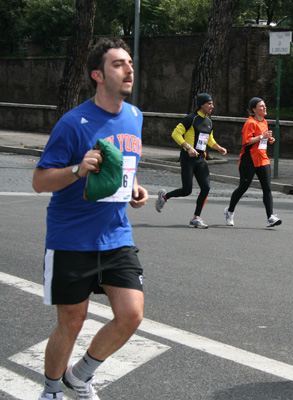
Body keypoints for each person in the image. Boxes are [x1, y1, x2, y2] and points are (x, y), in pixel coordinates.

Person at [32, 37, 148, 400]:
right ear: (98, 75)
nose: (128, 69)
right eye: (118, 64)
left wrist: (133, 188)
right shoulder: (73, 123)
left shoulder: (135, 116)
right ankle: (51, 391)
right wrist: (77, 170)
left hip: (116, 235)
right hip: (71, 239)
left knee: (131, 314)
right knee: (71, 322)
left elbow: (123, 168)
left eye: (129, 62)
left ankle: (79, 376)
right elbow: (39, 181)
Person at [154, 93, 227, 228]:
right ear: (201, 105)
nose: (212, 106)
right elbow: (175, 134)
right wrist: (188, 147)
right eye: (209, 103)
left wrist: (219, 148)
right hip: (188, 159)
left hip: (200, 159)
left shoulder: (209, 122)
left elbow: (209, 139)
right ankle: (164, 197)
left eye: (212, 103)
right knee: (187, 190)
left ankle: (196, 218)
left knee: (206, 187)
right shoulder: (191, 119)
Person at [224, 97, 282, 227]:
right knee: (243, 187)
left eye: (265, 105)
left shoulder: (264, 122)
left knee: (267, 188)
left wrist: (268, 139)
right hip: (248, 160)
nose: (264, 108)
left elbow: (261, 140)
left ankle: (270, 217)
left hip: (263, 159)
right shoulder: (250, 123)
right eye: (261, 106)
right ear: (254, 110)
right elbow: (247, 141)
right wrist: (262, 136)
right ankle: (230, 211)